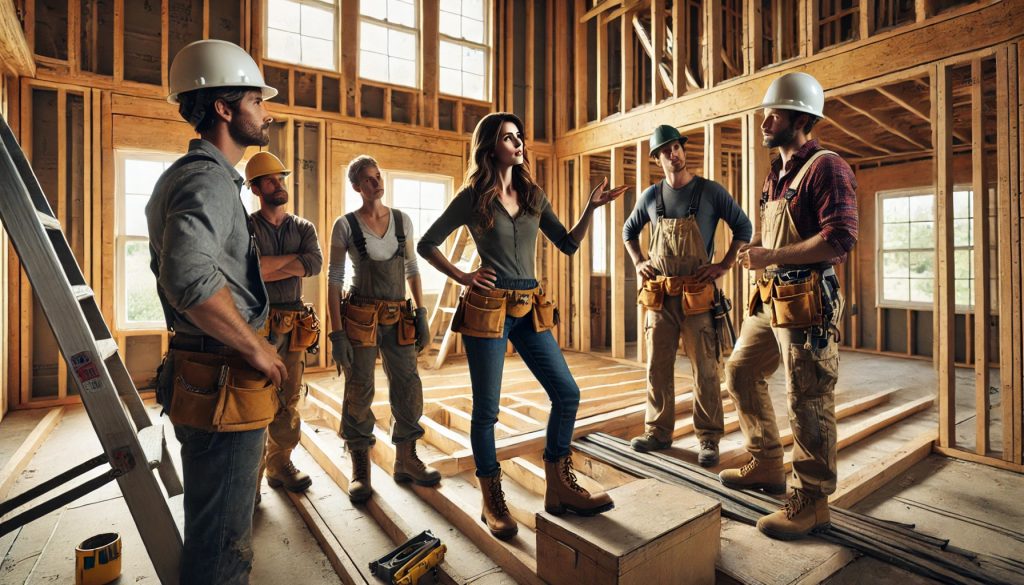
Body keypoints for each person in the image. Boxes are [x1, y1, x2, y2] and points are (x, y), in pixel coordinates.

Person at [417, 112, 627, 540]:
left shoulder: (533, 195)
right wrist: (463, 275)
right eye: (509, 137)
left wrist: (592, 208)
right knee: (487, 411)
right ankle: (491, 496)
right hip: (488, 308)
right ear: (491, 146)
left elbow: (567, 244)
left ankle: (559, 485)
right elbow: (426, 244)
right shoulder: (472, 197)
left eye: (521, 137)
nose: (519, 143)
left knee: (567, 392)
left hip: (529, 305)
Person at [147, 39, 287, 584]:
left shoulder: (202, 178)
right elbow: (188, 277)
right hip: (224, 377)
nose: (266, 110)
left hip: (215, 376)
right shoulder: (206, 179)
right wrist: (255, 346)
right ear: (224, 108)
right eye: (256, 100)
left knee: (217, 527)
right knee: (223, 547)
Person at [719, 72, 858, 540]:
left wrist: (771, 255)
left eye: (773, 113)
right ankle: (767, 462)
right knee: (739, 370)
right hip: (772, 297)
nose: (764, 119)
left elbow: (840, 238)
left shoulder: (827, 167)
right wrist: (754, 249)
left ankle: (813, 502)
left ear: (799, 118)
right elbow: (770, 233)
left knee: (808, 396)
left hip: (809, 299)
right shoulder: (773, 175)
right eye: (765, 111)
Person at [622, 124, 752, 466]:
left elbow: (744, 227)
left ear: (683, 149)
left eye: (676, 147)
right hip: (660, 298)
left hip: (697, 297)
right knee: (656, 367)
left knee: (706, 369)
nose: (673, 153)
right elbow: (628, 231)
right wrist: (639, 262)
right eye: (665, 150)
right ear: (657, 157)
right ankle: (658, 432)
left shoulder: (710, 192)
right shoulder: (651, 197)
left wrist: (723, 265)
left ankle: (708, 439)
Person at [327, 155, 440, 503]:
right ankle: (361, 468)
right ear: (357, 187)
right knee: (359, 387)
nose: (377, 183)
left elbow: (412, 268)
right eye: (368, 179)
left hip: (399, 317)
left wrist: (421, 312)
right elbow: (334, 280)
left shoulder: (402, 221)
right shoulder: (345, 225)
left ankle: (406, 459)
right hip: (360, 318)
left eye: (378, 177)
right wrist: (336, 333)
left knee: (408, 384)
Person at [245, 151, 323, 498]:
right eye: (272, 180)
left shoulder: (304, 227)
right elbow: (250, 270)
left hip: (293, 323)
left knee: (288, 397)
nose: (279, 184)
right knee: (255, 399)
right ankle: (254, 478)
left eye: (281, 178)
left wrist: (267, 266)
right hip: (257, 322)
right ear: (256, 187)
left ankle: (280, 464)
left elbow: (314, 264)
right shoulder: (247, 226)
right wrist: (290, 262)